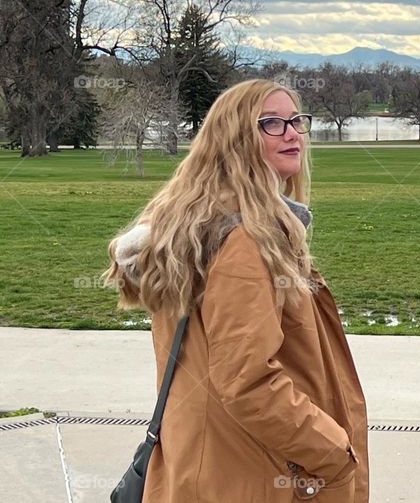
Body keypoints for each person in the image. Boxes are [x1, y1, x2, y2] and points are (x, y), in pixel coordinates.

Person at [102, 79, 368, 502]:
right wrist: (332, 450)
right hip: (250, 474)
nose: (292, 133)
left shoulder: (201, 229)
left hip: (211, 462)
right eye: (271, 123)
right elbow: (246, 380)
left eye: (297, 121)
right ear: (234, 139)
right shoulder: (242, 240)